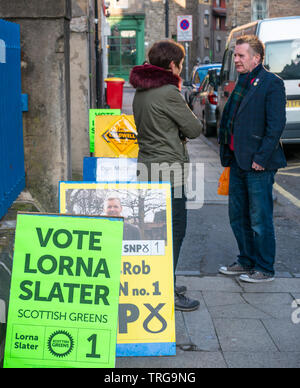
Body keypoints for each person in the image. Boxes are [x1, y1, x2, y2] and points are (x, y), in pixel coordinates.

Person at [130, 40, 202, 311]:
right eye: (180, 64)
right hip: (169, 171)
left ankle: (163, 279)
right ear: (172, 65)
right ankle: (167, 292)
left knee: (156, 231)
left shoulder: (141, 91)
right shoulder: (169, 93)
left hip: (147, 168)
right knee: (175, 230)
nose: (181, 68)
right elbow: (195, 129)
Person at [218, 35, 287, 283]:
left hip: (258, 164)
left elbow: (276, 125)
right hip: (237, 161)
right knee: (238, 217)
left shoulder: (271, 83)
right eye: (235, 55)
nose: (236, 59)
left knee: (260, 219)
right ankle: (246, 261)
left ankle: (264, 268)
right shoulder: (243, 81)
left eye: (240, 55)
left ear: (256, 58)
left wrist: (261, 157)